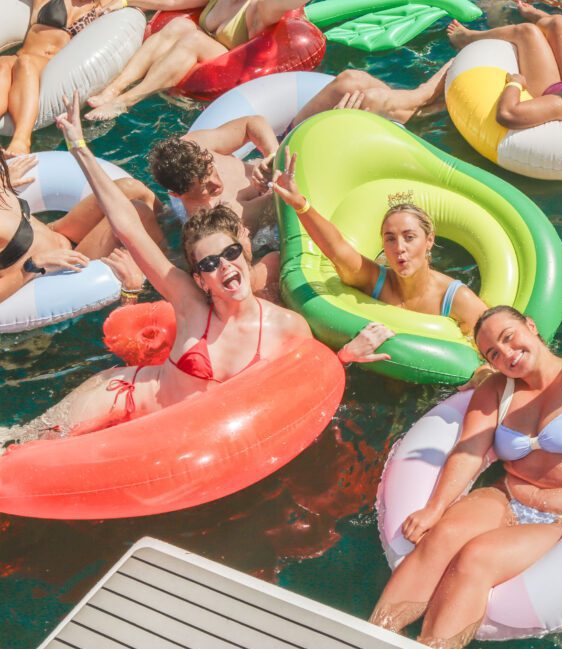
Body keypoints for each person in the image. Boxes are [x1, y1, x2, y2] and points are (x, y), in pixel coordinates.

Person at [0, 92, 384, 450]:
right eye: (209, 264)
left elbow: (310, 375)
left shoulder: (287, 326)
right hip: (124, 396)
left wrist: (347, 355)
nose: (224, 267)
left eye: (230, 253)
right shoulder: (190, 304)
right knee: (23, 446)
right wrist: (79, 147)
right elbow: (128, 228)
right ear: (199, 277)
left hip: (181, 434)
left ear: (243, 248)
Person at [369, 181, 562, 648]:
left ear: (531, 327)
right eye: (492, 352)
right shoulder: (495, 391)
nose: (506, 354)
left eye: (509, 337)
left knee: (475, 558)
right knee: (439, 537)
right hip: (505, 496)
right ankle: (369, 636)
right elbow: (469, 453)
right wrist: (436, 507)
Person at [291, 1, 562, 130]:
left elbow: (509, 115)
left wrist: (514, 81)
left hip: (557, 93)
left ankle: (424, 93)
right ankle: (420, 102)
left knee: (350, 82)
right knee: (554, 25)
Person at [272, 148, 488, 351]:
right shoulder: (375, 281)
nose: (399, 248)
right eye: (390, 239)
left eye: (409, 237)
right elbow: (337, 249)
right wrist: (300, 204)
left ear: (429, 240)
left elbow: (490, 344)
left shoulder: (457, 299)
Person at [85, 0, 309, 120]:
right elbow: (173, 2)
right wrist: (126, 1)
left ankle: (125, 102)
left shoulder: (259, 8)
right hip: (195, 56)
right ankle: (114, 89)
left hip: (231, 69)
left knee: (193, 38)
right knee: (180, 25)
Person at [0, 152, 162, 303]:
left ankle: (173, 226)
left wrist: (4, 182)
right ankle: (168, 272)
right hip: (57, 272)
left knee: (131, 187)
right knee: (137, 211)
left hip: (57, 234)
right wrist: (31, 266)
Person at [0, 0, 120, 155]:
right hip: (21, 55)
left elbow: (162, 3)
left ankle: (22, 140)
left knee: (25, 63)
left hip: (49, 65)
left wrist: (124, 2)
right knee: (3, 64)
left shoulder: (103, 5)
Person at [148, 115, 280, 233]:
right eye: (205, 186)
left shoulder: (196, 146)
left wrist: (273, 156)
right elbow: (278, 200)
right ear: (176, 194)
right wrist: (275, 178)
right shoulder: (223, 216)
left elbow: (251, 123)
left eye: (212, 169)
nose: (217, 183)